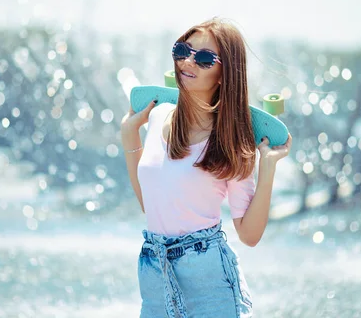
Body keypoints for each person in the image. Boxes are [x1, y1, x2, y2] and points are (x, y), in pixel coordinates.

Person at [120, 18, 292, 317]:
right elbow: (151, 205)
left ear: (225, 74)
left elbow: (249, 235)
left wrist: (268, 169)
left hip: (207, 275)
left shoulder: (231, 142)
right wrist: (129, 136)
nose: (188, 62)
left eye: (203, 58)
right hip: (153, 268)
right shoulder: (159, 115)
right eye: (183, 50)